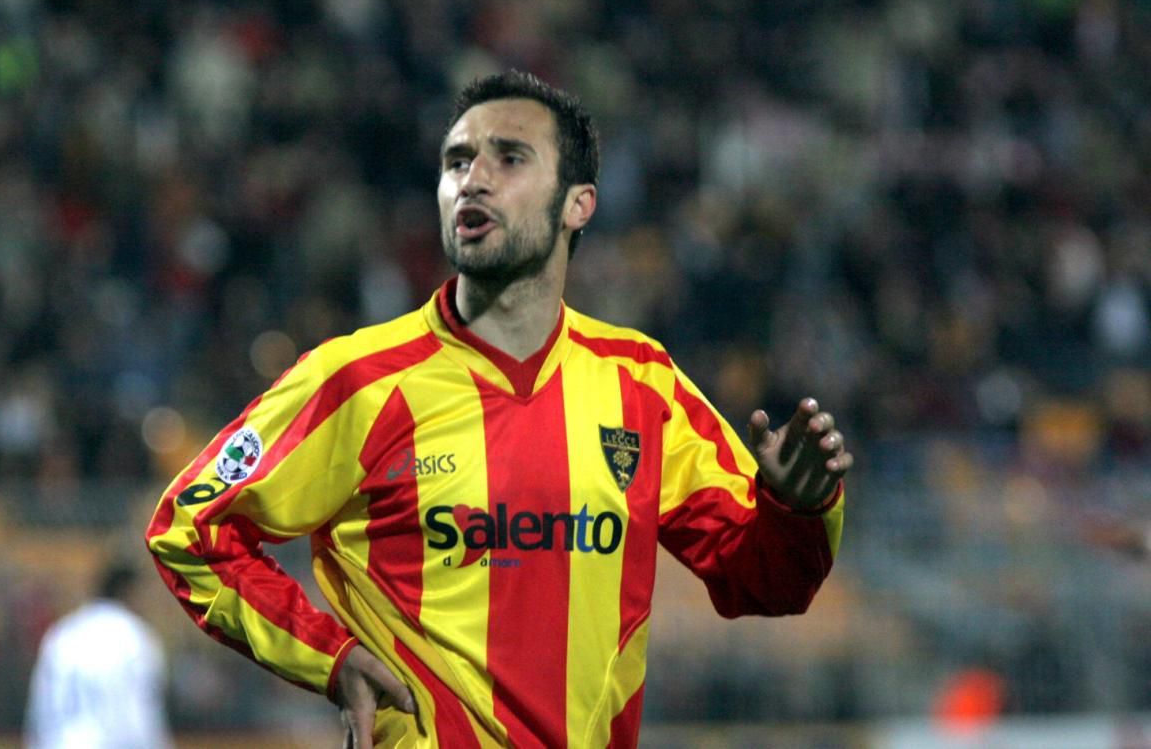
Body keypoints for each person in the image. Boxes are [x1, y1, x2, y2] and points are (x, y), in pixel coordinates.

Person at [146, 70, 853, 748]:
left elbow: (769, 582)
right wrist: (330, 657)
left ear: (578, 204)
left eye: (509, 158)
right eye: (457, 161)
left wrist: (798, 510)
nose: (472, 179)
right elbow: (188, 529)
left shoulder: (641, 384)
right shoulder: (357, 381)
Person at [24, 559, 172, 749]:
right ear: (130, 592)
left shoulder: (61, 634)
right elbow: (142, 715)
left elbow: (39, 711)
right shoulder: (136, 638)